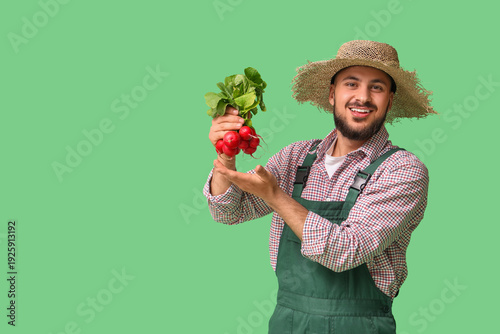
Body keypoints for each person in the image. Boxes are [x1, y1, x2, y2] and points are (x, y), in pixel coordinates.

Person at [203, 40, 436, 333]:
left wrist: (276, 197)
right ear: (331, 94)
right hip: (287, 323)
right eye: (351, 84)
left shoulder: (401, 169)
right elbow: (229, 212)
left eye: (376, 87)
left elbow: (346, 251)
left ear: (389, 100)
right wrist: (227, 154)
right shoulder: (296, 157)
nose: (362, 97)